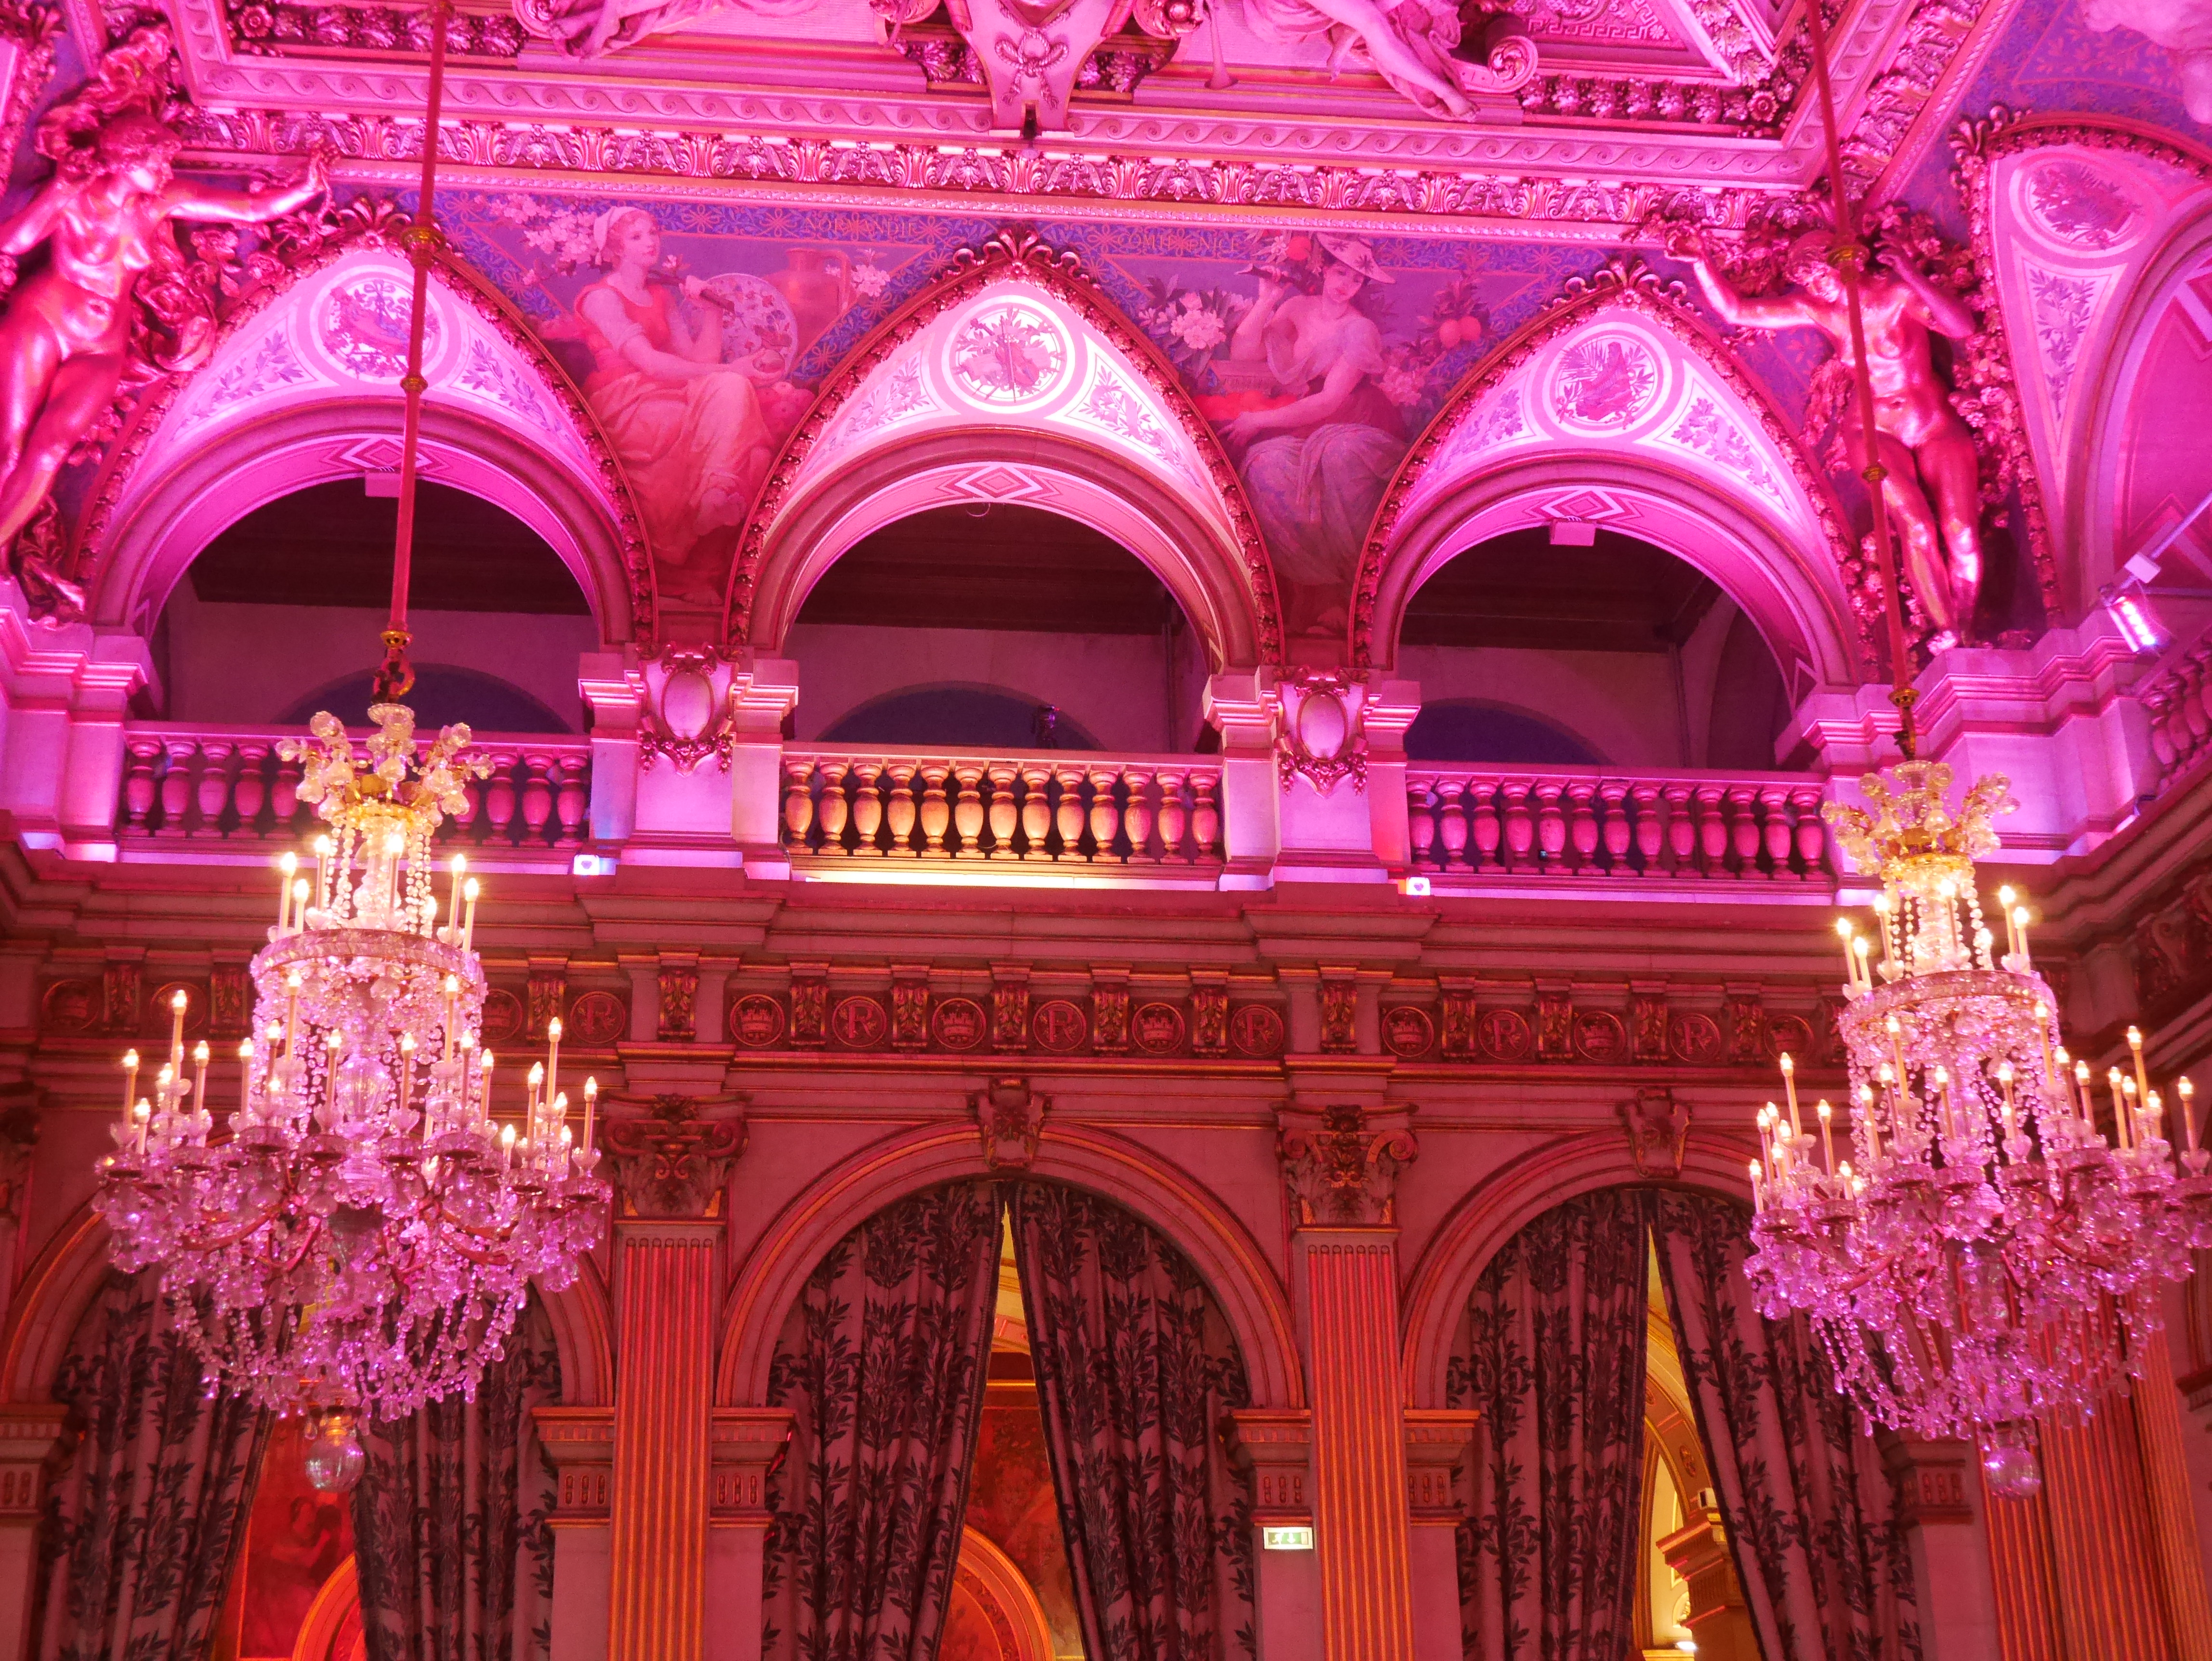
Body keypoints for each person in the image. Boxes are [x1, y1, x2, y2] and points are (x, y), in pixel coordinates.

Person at [0, 98, 328, 609]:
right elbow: (15, 241)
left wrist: (304, 189)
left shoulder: (160, 203)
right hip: (41, 319)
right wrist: (60, 189)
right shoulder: (76, 194)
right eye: (157, 162)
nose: (166, 170)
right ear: (127, 160)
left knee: (49, 450)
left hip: (101, 346)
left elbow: (244, 209)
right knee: (11, 448)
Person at [1671, 225, 1986, 648]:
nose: (1817, 289)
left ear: (1848, 263)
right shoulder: (1818, 309)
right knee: (1915, 526)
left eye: (1822, 277)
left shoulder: (1897, 295)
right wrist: (1701, 263)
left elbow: (1961, 327)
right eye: (1810, 283)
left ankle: (1965, 626)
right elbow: (1737, 312)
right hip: (1871, 428)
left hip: (1932, 423)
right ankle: (1946, 628)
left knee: (1961, 530)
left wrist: (1912, 274)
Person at [574, 207, 790, 603]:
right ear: (615, 248)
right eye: (637, 236)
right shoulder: (601, 299)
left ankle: (714, 495)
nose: (651, 241)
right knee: (713, 391)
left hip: (668, 389)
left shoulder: (660, 296)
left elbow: (697, 363)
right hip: (625, 400)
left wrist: (711, 313)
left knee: (730, 389)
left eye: (653, 232)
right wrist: (735, 368)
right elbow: (651, 362)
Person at [1224, 234, 1406, 637]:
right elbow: (1244, 355)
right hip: (1304, 425)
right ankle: (1311, 589)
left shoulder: (1360, 330)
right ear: (1324, 269)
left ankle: (1348, 593)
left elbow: (1329, 403)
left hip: (1357, 420)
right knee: (1264, 465)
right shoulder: (1297, 308)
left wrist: (1256, 422)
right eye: (1341, 273)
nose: (1346, 285)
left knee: (1337, 454)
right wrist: (1268, 298)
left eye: (1356, 280)